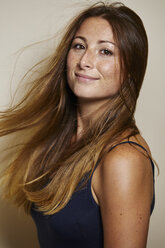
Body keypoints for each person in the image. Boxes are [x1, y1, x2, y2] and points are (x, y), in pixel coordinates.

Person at [0, 1, 156, 248]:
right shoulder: (60, 139)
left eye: (106, 51)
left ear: (130, 69)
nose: (85, 61)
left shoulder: (124, 158)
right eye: (79, 46)